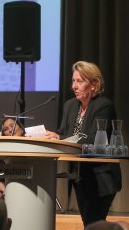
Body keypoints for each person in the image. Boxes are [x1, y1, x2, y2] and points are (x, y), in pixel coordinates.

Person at [43, 61, 122, 227]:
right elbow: (63, 132)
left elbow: (94, 139)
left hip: (100, 177)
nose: (74, 86)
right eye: (73, 81)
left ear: (94, 85)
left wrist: (61, 138)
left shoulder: (104, 105)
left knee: (93, 223)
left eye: (79, 81)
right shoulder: (70, 105)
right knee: (89, 224)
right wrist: (54, 136)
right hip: (80, 178)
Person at [0, 118, 24, 198]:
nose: (10, 130)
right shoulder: (3, 152)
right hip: (11, 195)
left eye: (12, 126)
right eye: (6, 129)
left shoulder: (35, 143)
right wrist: (2, 189)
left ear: (21, 128)